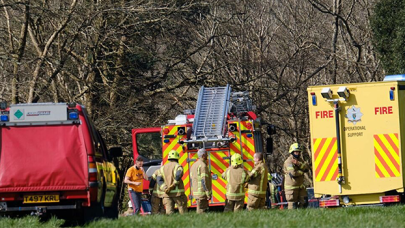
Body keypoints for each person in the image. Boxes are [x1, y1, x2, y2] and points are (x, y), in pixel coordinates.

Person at [157, 150, 188, 214]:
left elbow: (159, 179)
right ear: (177, 158)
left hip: (167, 195)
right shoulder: (178, 166)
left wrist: (165, 188)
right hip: (178, 194)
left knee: (169, 213)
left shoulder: (162, 168)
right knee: (183, 211)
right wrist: (173, 185)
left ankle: (171, 224)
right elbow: (178, 175)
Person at [283, 143, 310, 209]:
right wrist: (301, 172)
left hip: (300, 187)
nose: (297, 153)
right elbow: (293, 173)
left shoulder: (300, 160)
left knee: (304, 204)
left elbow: (306, 168)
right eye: (296, 152)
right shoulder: (288, 162)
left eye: (298, 152)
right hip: (291, 189)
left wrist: (298, 163)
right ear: (292, 152)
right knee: (293, 206)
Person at [190, 148, 212, 213]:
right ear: (203, 156)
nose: (207, 157)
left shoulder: (194, 165)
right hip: (202, 193)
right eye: (206, 155)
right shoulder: (203, 166)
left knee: (199, 209)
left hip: (197, 192)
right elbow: (204, 180)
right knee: (202, 211)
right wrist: (207, 192)